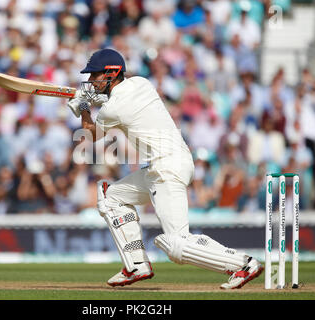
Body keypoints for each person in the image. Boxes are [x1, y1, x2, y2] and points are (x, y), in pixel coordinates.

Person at [67, 48, 263, 289]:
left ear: (110, 73)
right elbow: (113, 99)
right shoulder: (141, 83)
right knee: (110, 197)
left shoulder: (113, 108)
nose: (90, 81)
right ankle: (135, 265)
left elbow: (90, 132)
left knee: (176, 245)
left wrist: (83, 106)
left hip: (166, 168)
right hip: (164, 165)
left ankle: (243, 264)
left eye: (94, 75)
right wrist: (92, 97)